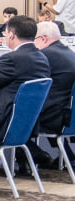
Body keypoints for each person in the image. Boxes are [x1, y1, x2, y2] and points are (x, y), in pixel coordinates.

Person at [27, 21, 75, 169]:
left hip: (54, 116)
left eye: (33, 39)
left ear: (43, 38)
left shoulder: (45, 55)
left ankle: (37, 155)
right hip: (66, 113)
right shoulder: (69, 53)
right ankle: (69, 157)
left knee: (10, 117)